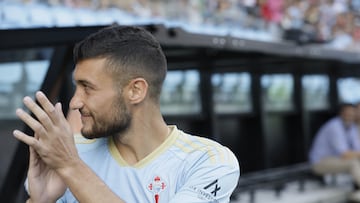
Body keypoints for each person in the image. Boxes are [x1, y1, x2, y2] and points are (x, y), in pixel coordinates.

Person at [13, 25, 240, 203]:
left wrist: (71, 166)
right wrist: (41, 200)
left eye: (87, 87)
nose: (75, 101)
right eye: (76, 87)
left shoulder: (208, 160)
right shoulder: (70, 155)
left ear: (135, 90)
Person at [309, 103, 360, 202]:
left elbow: (357, 149)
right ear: (341, 113)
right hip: (320, 162)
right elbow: (344, 154)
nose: (350, 115)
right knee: (353, 162)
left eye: (352, 112)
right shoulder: (334, 126)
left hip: (336, 160)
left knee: (355, 160)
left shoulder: (351, 127)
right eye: (347, 113)